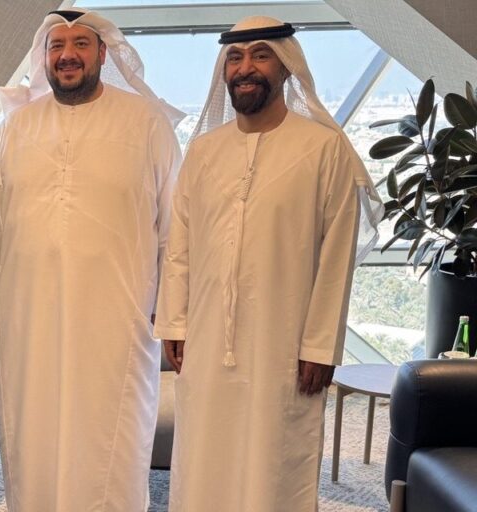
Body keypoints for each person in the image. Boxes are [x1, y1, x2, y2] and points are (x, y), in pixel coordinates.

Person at [153, 15, 383, 511]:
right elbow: (180, 245)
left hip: (286, 344)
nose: (245, 68)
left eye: (260, 55)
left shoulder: (323, 149)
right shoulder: (204, 151)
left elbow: (337, 255)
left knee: (276, 460)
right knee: (205, 457)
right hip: (207, 340)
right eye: (235, 58)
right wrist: (174, 322)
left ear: (285, 66)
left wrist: (320, 345)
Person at [0, 8, 184, 511]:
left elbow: (176, 226)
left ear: (102, 54)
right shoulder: (13, 129)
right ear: (44, 57)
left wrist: (173, 309)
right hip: (29, 319)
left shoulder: (146, 122)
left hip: (117, 319)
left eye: (80, 44)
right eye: (57, 46)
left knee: (110, 438)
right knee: (34, 430)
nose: (67, 55)